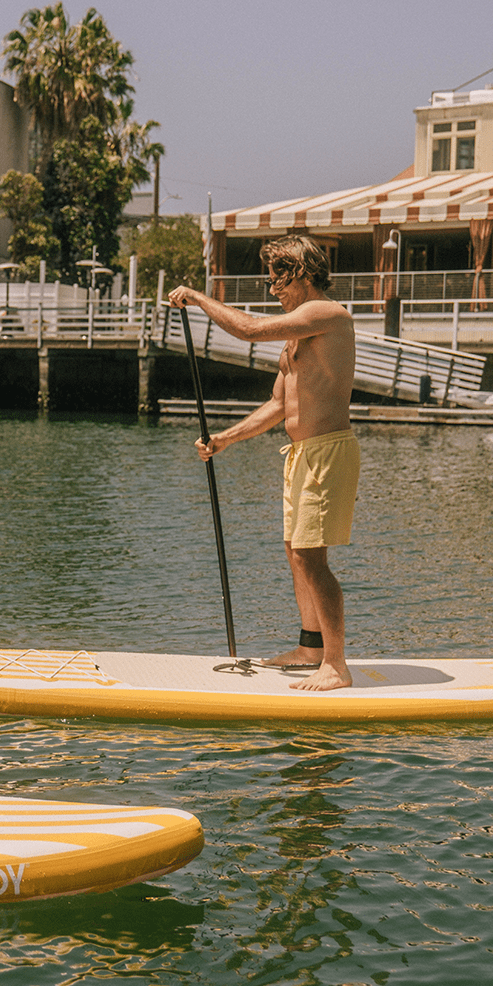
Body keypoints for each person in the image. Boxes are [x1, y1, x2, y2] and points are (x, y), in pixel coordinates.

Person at [168, 235, 359, 691]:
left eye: (280, 276)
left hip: (328, 451)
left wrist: (196, 297)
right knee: (296, 554)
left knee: (313, 558)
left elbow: (250, 329)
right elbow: (277, 405)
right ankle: (311, 646)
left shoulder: (326, 315)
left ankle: (336, 664)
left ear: (305, 273)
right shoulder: (296, 338)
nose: (272, 287)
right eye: (269, 277)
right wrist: (225, 439)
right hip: (300, 455)